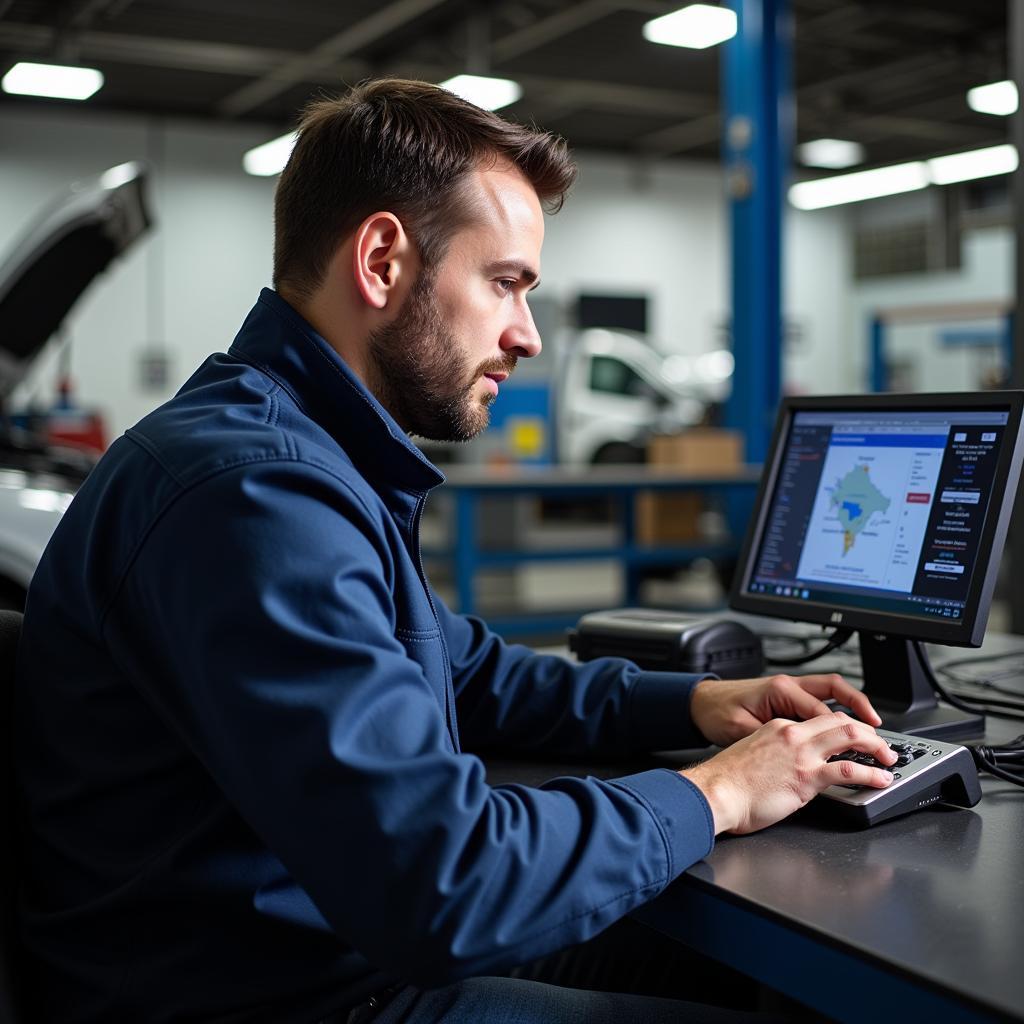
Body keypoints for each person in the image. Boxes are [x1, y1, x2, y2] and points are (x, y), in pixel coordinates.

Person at [14, 79, 897, 1024]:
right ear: (384, 259)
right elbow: (445, 882)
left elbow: (464, 670)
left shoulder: (304, 454)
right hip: (274, 992)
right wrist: (715, 793)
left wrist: (689, 701)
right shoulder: (254, 494)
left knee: (736, 968)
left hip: (320, 944)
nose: (525, 335)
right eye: (506, 283)